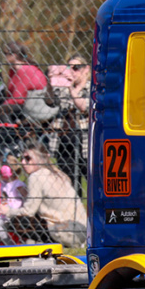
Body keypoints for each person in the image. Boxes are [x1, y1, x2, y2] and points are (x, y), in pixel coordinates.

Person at [0, 142, 86, 247]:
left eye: (28, 158)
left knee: (17, 221)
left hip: (65, 231)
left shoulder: (36, 176)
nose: (23, 162)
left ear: (41, 159)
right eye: (22, 158)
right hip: (81, 230)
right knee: (32, 224)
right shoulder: (57, 173)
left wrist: (8, 211)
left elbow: (28, 212)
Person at [50, 54, 91, 197]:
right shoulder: (62, 89)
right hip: (64, 144)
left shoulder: (92, 88)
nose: (72, 71)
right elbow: (50, 104)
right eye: (69, 68)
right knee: (71, 189)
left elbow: (85, 107)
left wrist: (73, 92)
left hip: (86, 144)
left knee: (94, 185)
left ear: (86, 69)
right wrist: (51, 82)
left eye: (76, 67)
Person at [0, 41, 47, 123]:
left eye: (6, 53)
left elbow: (18, 98)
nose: (4, 56)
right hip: (24, 103)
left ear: (14, 55)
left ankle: (10, 133)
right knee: (3, 107)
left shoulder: (25, 70)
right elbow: (11, 95)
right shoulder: (13, 70)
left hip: (36, 104)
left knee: (3, 111)